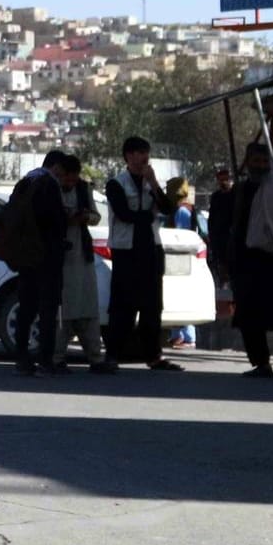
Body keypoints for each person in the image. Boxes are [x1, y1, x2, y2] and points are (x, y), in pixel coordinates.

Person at [105, 136, 181, 370]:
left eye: (146, 154)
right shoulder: (116, 184)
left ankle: (154, 356)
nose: (143, 158)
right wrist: (148, 215)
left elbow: (168, 209)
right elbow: (124, 214)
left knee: (152, 306)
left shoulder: (151, 183)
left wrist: (155, 185)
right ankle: (113, 355)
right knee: (122, 305)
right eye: (138, 153)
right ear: (128, 156)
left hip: (151, 249)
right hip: (126, 251)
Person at [229, 142, 273, 380]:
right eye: (256, 161)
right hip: (246, 261)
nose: (260, 166)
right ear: (247, 162)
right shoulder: (239, 191)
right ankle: (261, 364)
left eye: (264, 162)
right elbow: (234, 226)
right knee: (249, 316)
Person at [5, 150, 70, 377]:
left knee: (26, 308)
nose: (62, 179)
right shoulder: (48, 185)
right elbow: (54, 222)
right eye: (61, 174)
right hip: (47, 257)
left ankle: (22, 359)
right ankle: (45, 361)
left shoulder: (25, 182)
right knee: (48, 310)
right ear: (55, 168)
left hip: (26, 256)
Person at [49, 153, 112, 374]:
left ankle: (95, 358)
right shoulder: (50, 190)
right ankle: (56, 358)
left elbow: (96, 216)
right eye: (67, 179)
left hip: (81, 255)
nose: (70, 183)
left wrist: (85, 217)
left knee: (87, 307)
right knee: (63, 311)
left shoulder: (83, 190)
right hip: (60, 258)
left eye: (73, 179)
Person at [166, 177, 198, 349]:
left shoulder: (180, 212)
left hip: (180, 260)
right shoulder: (182, 210)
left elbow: (179, 236)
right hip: (179, 260)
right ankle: (178, 334)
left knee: (180, 296)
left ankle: (186, 336)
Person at [208, 165, 238, 287]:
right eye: (221, 179)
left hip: (233, 239)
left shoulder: (235, 195)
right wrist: (212, 236)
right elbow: (212, 219)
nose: (224, 182)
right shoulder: (216, 197)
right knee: (222, 267)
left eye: (226, 179)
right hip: (219, 240)